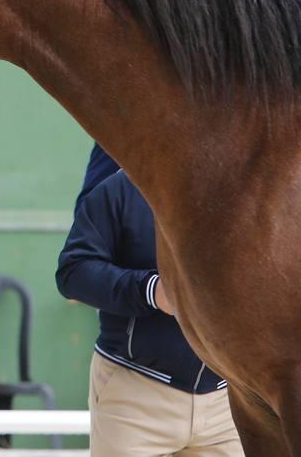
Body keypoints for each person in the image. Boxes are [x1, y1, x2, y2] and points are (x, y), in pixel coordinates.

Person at [56, 145, 243, 457]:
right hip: (135, 392)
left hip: (228, 401)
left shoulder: (247, 193)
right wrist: (152, 291)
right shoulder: (119, 189)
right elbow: (74, 271)